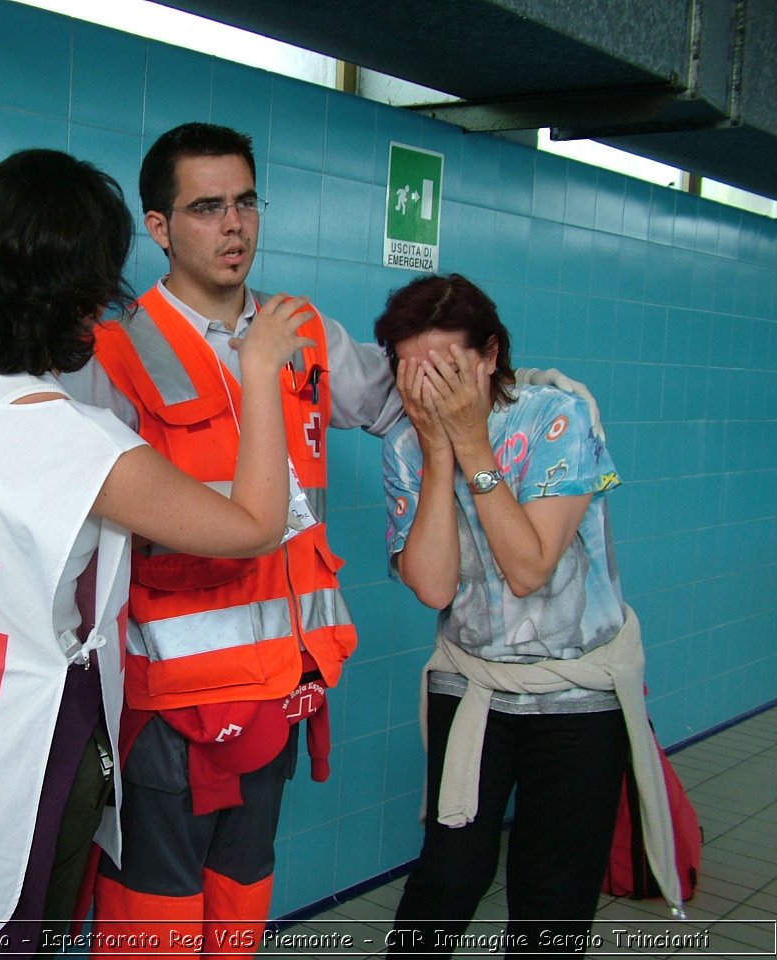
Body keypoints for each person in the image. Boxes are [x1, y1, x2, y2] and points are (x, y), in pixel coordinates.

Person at [64, 122, 607, 957]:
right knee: (155, 925)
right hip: (164, 701)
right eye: (206, 208)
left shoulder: (303, 333)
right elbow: (64, 516)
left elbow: (418, 402)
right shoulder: (111, 353)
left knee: (239, 909)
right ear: (160, 227)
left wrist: (524, 403)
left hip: (280, 689)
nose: (234, 224)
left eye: (245, 201)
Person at [0, 148, 316, 956]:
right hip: (13, 763)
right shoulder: (72, 442)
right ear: (86, 295)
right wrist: (260, 370)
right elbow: (255, 526)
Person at [374, 273, 680, 956]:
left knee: (552, 896)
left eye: (447, 371)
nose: (425, 391)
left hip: (579, 695)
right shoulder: (403, 445)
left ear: (489, 356)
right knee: (448, 876)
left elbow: (530, 566)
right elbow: (432, 586)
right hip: (473, 682)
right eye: (407, 371)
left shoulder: (558, 419)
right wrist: (434, 452)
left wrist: (473, 446)